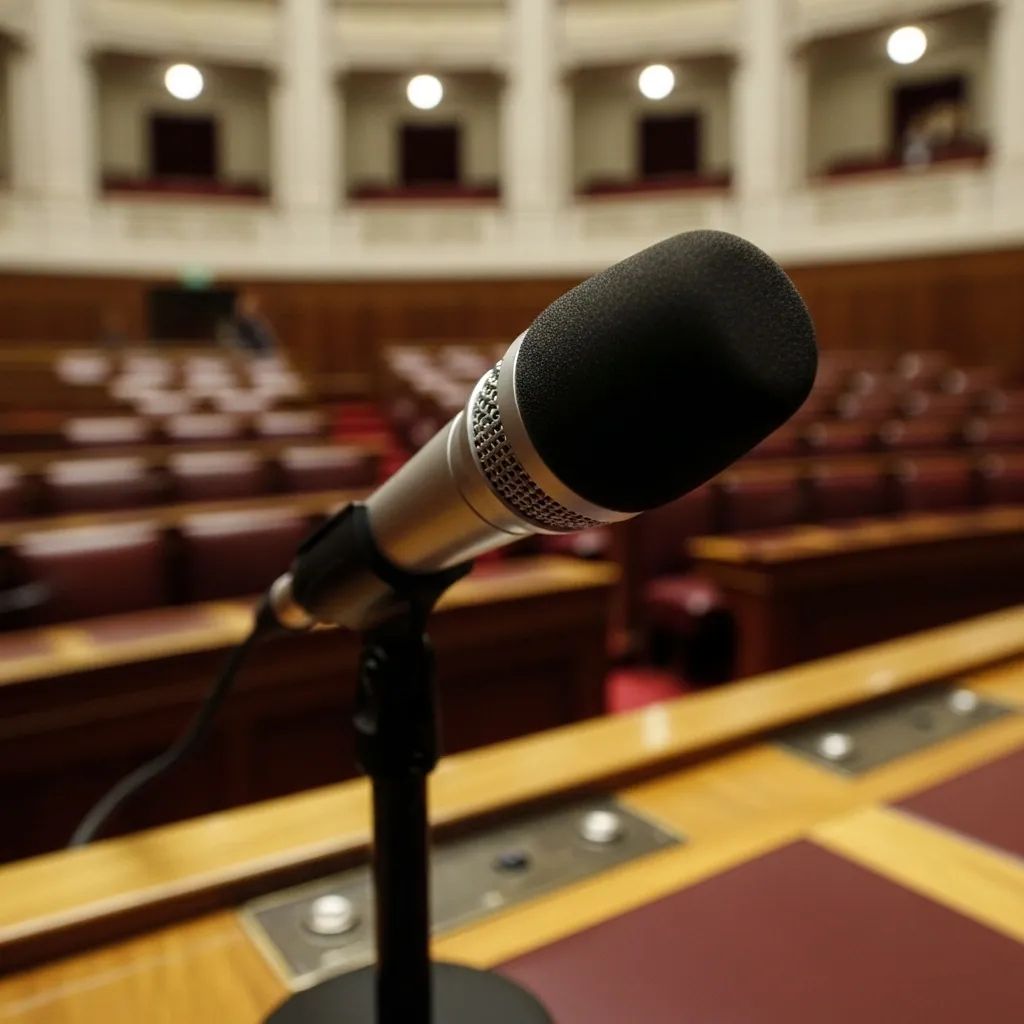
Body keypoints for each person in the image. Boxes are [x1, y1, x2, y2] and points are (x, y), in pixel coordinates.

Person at [229, 289, 278, 355]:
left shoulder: (259, 321)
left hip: (263, 355)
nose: (253, 307)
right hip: (251, 355)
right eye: (250, 304)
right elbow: (236, 343)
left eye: (254, 304)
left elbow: (268, 342)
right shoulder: (239, 322)